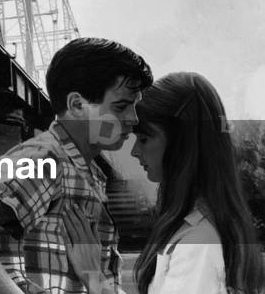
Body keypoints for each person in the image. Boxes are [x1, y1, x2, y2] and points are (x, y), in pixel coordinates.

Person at [0, 37, 154, 293]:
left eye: (134, 107)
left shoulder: (86, 171)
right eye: (121, 106)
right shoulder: (44, 158)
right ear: (77, 105)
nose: (133, 118)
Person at [63, 72, 263, 294]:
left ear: (182, 144)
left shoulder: (198, 244)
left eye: (144, 139)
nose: (134, 151)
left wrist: (93, 277)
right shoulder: (199, 228)